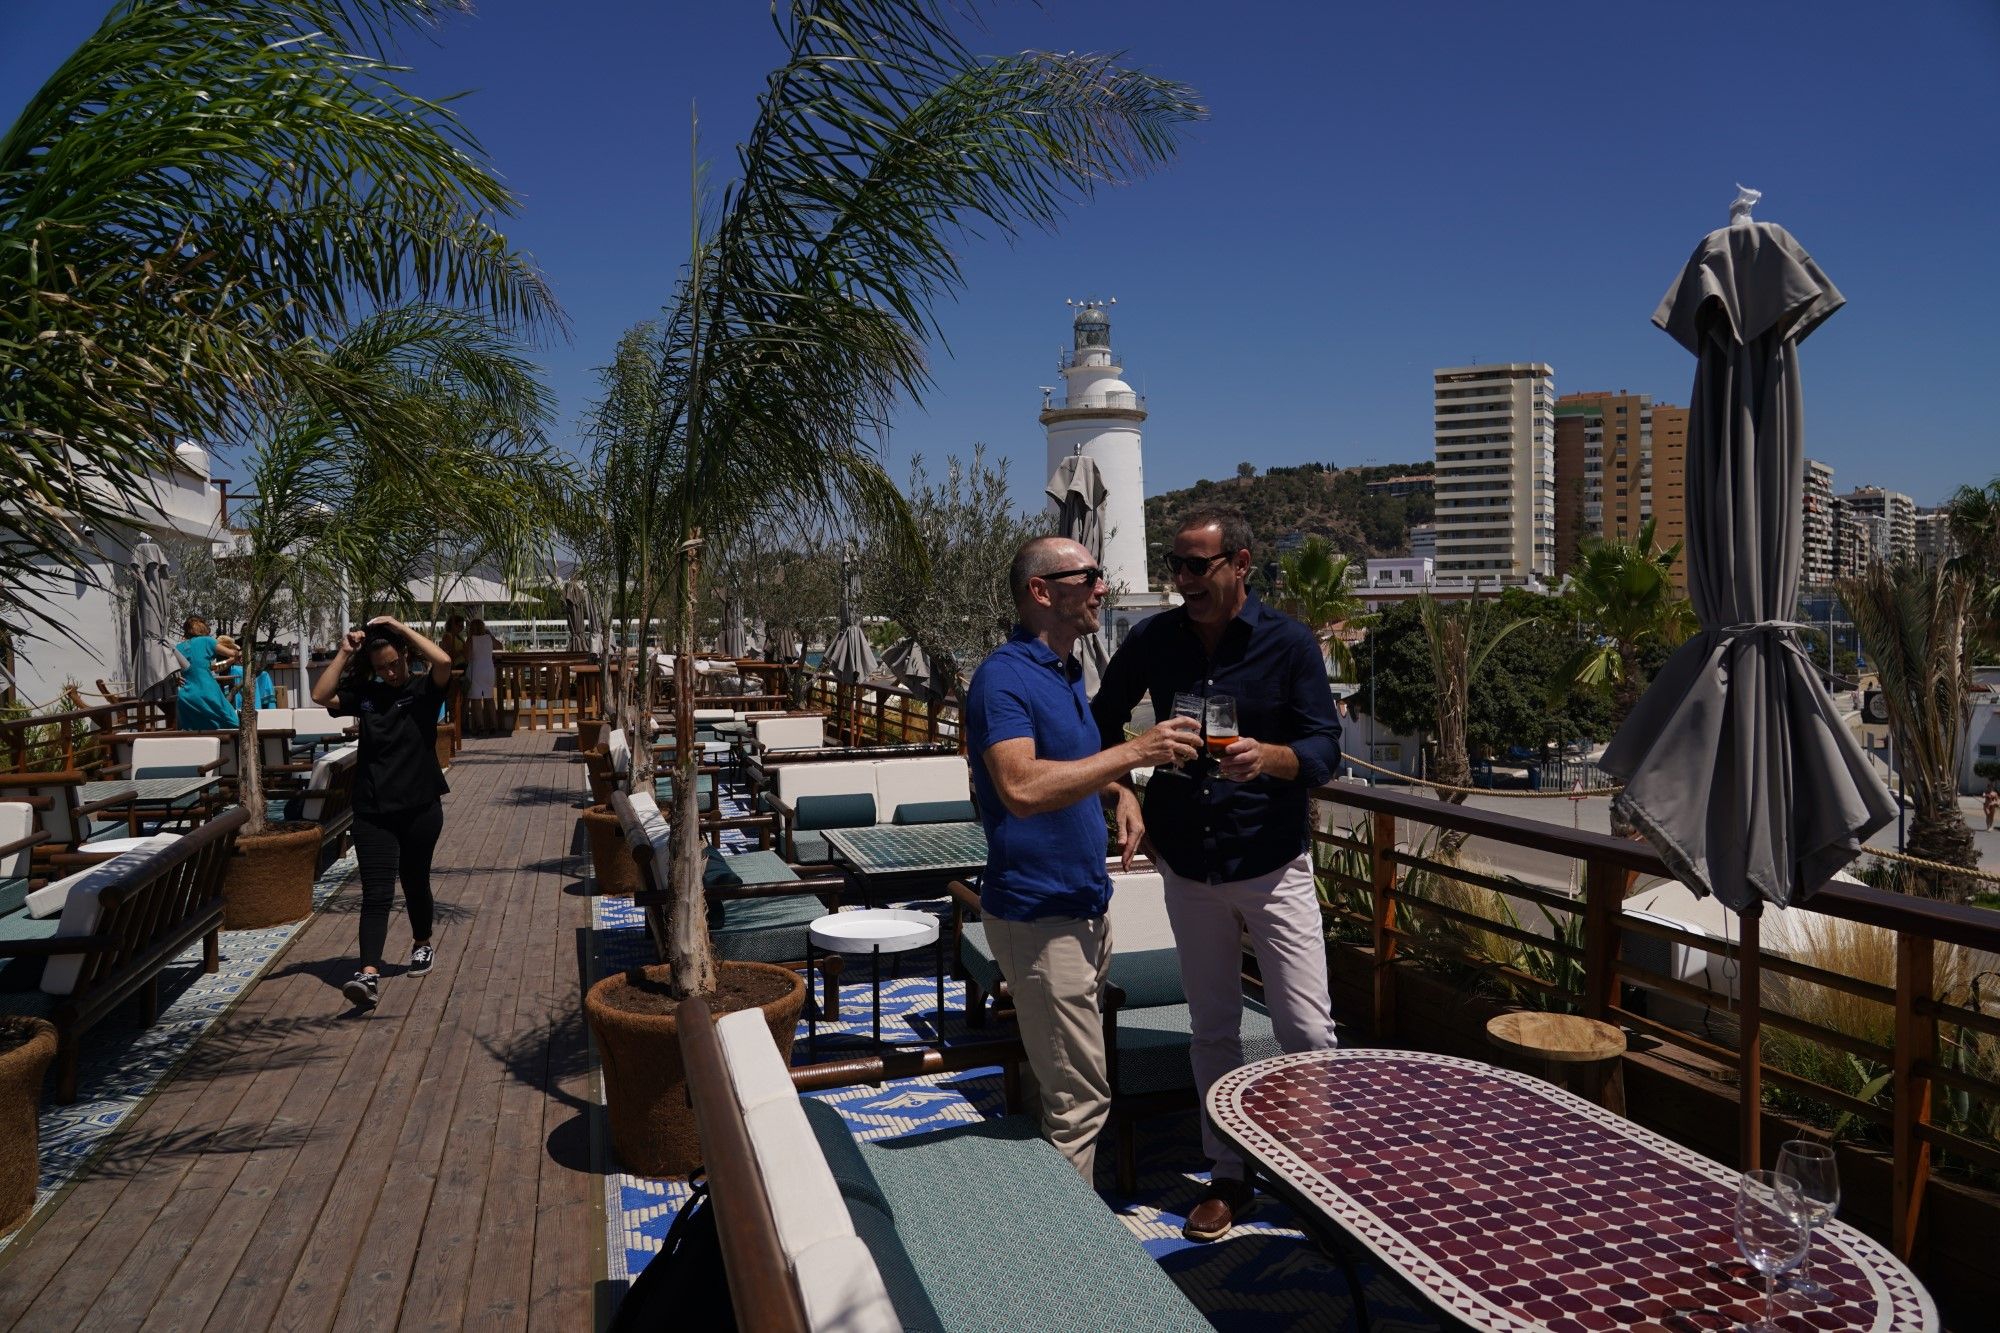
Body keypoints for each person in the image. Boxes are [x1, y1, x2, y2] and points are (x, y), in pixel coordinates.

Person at [1092, 507, 1344, 1242]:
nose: (1182, 580)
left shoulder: (1289, 644)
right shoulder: (1152, 639)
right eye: (1175, 565)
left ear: (1240, 563)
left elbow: (1324, 747)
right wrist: (1124, 784)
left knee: (1306, 1027)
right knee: (1213, 1026)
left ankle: (1314, 1171)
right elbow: (1100, 719)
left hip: (1271, 861)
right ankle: (1228, 1174)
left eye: (1197, 566)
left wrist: (1270, 759)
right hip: (1189, 863)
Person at [965, 536, 1200, 1182]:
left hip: (1084, 909)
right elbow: (1019, 787)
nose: (1103, 586)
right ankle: (1074, 1265)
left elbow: (1066, 764)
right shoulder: (1002, 679)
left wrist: (1118, 790)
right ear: (1043, 591)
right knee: (1082, 1102)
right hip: (1040, 918)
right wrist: (1132, 754)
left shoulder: (1066, 673)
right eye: (1089, 575)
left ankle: (1043, 1212)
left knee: (1055, 1087)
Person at [313, 616, 452, 1009]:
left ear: (405, 656)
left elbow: (443, 662)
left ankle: (422, 943)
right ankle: (369, 974)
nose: (389, 672)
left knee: (414, 880)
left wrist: (399, 627)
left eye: (394, 663)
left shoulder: (423, 689)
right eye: (381, 668)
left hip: (421, 807)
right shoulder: (368, 696)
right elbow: (321, 695)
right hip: (373, 809)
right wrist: (344, 651)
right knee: (376, 893)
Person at [174, 616, 240, 730]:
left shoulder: (178, 647)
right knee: (234, 724)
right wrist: (237, 652)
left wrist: (176, 678)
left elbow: (213, 668)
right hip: (208, 693)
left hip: (186, 697)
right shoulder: (207, 641)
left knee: (195, 736)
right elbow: (232, 653)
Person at [464, 617, 503, 734]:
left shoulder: (471, 640)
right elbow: (500, 647)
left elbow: (468, 657)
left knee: (476, 700)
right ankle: (493, 725)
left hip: (476, 669)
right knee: (489, 698)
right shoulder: (489, 638)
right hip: (488, 669)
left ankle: (480, 726)